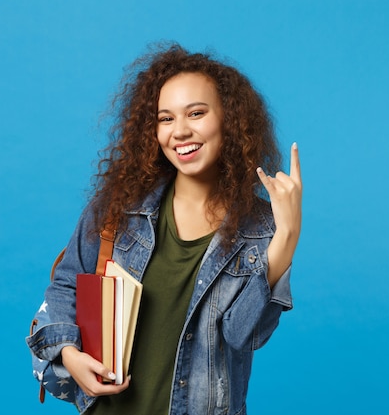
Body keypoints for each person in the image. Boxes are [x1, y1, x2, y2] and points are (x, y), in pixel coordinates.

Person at [26, 43, 302, 415]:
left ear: (230, 120)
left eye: (197, 113)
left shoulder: (261, 228)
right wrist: (70, 355)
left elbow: (243, 336)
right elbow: (66, 284)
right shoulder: (119, 206)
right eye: (165, 118)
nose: (181, 131)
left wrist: (286, 238)